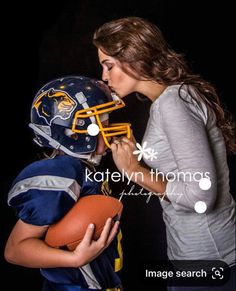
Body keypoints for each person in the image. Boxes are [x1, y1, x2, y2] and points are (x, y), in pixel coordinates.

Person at [93, 17, 236, 290]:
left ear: (134, 57)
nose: (104, 76)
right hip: (195, 256)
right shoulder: (172, 99)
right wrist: (139, 154)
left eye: (108, 65)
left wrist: (135, 171)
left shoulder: (173, 103)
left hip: (211, 260)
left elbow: (201, 195)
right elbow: (181, 178)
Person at [4, 76, 131, 291]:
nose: (110, 128)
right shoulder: (62, 173)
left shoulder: (85, 168)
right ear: (72, 131)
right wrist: (75, 259)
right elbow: (15, 250)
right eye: (103, 122)